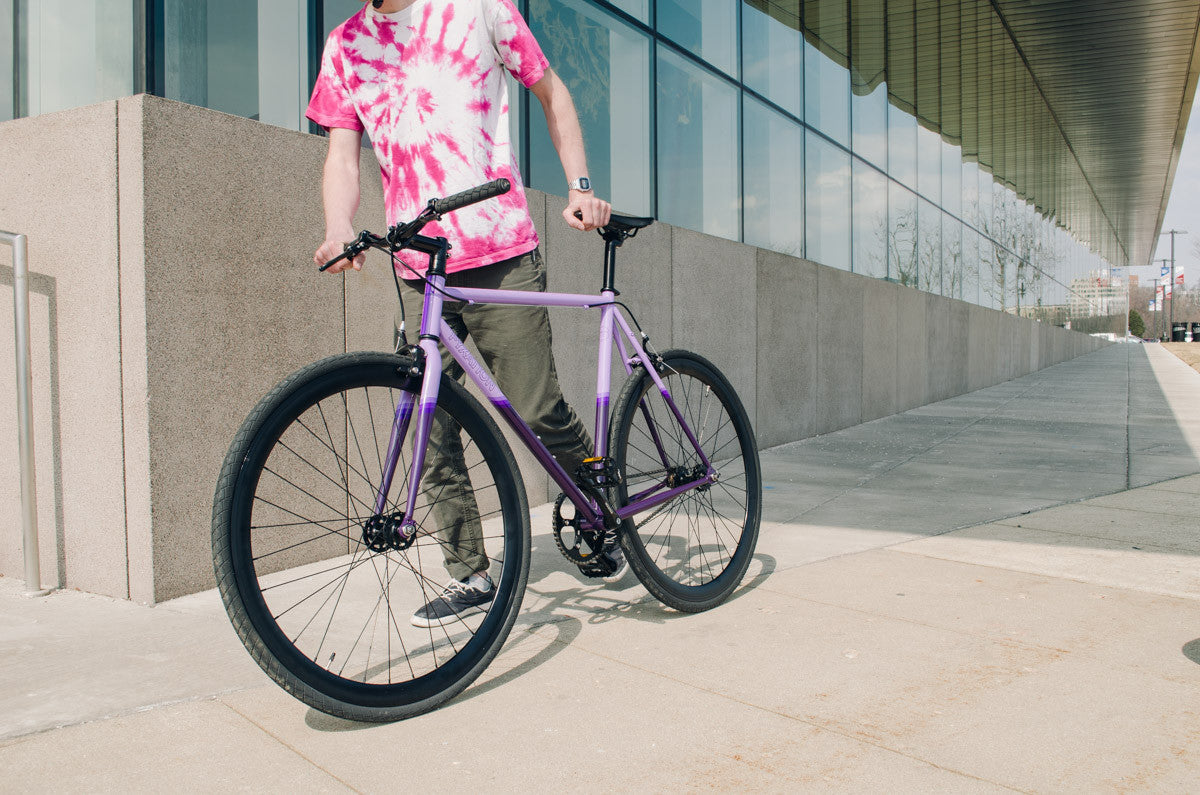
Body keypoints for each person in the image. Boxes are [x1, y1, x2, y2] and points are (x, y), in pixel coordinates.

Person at [307, 0, 625, 628]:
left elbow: (550, 89)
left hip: (499, 247)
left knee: (536, 409)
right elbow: (342, 156)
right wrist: (338, 226)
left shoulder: (479, 7)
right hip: (418, 266)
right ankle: (471, 574)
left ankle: (600, 507)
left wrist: (581, 186)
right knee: (428, 423)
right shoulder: (345, 45)